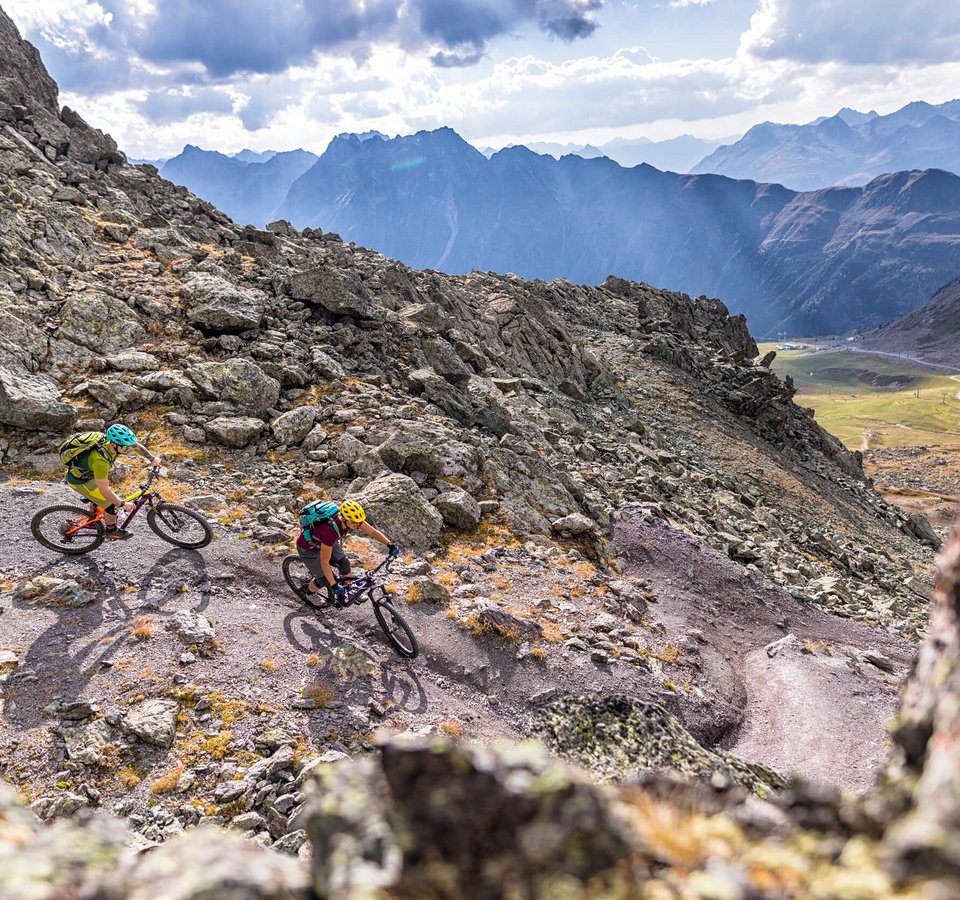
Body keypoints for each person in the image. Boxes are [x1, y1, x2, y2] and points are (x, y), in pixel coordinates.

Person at [64, 424, 161, 540]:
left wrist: (152, 459)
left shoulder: (110, 441)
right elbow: (104, 490)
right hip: (81, 481)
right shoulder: (101, 461)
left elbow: (134, 445)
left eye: (128, 447)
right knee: (111, 504)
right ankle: (111, 530)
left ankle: (92, 519)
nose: (128, 450)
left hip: (89, 474)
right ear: (113, 444)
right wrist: (123, 504)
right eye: (125, 448)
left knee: (105, 498)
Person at [296, 500, 399, 606]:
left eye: (359, 521)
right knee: (324, 579)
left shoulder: (353, 520)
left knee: (344, 563)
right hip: (308, 548)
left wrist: (390, 545)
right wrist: (334, 586)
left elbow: (372, 532)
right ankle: (310, 594)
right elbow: (325, 562)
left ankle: (350, 590)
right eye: (353, 522)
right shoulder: (329, 532)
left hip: (326, 542)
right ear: (344, 518)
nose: (357, 524)